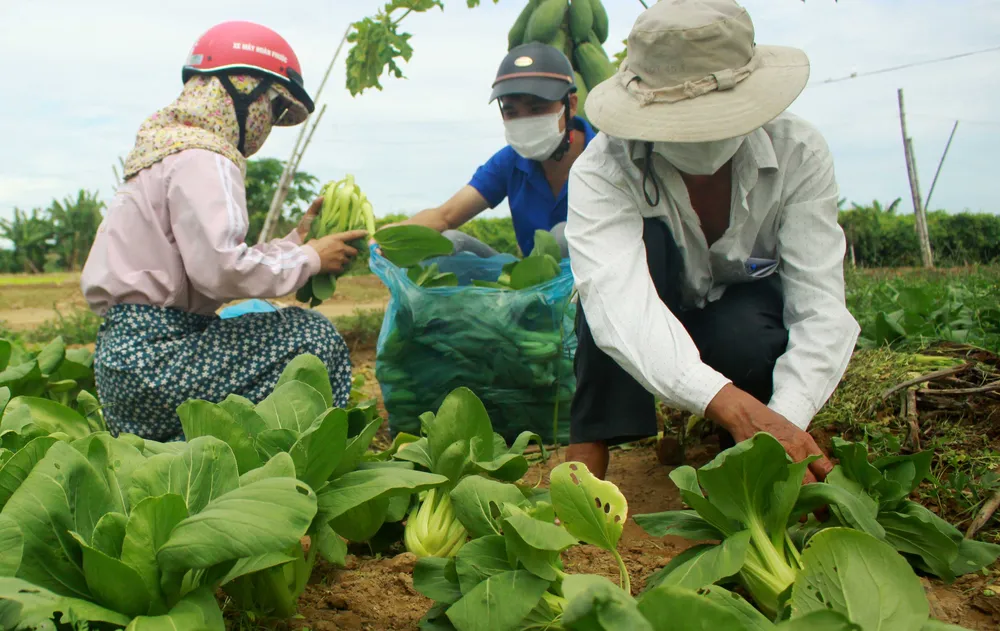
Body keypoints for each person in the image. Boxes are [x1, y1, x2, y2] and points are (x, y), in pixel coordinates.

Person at [564, 0, 860, 483]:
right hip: (656, 307)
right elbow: (620, 306)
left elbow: (819, 309)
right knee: (603, 299)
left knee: (747, 337)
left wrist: (780, 420)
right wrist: (736, 409)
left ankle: (740, 439)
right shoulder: (604, 168)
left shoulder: (798, 153)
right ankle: (588, 447)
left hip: (737, 315)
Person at [80, 21, 367, 442]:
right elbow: (221, 271)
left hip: (122, 367)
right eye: (273, 109)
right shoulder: (207, 156)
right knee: (311, 337)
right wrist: (311, 258)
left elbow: (206, 258)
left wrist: (293, 244)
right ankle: (297, 468)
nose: (269, 125)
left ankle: (189, 454)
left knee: (256, 326)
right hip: (162, 362)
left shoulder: (166, 150)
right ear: (243, 91)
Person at [397, 42, 597, 259]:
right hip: (532, 283)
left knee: (562, 237)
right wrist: (384, 238)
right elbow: (445, 216)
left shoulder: (603, 159)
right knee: (449, 242)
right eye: (512, 112)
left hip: (596, 283)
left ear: (572, 105)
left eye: (537, 109)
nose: (525, 121)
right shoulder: (510, 162)